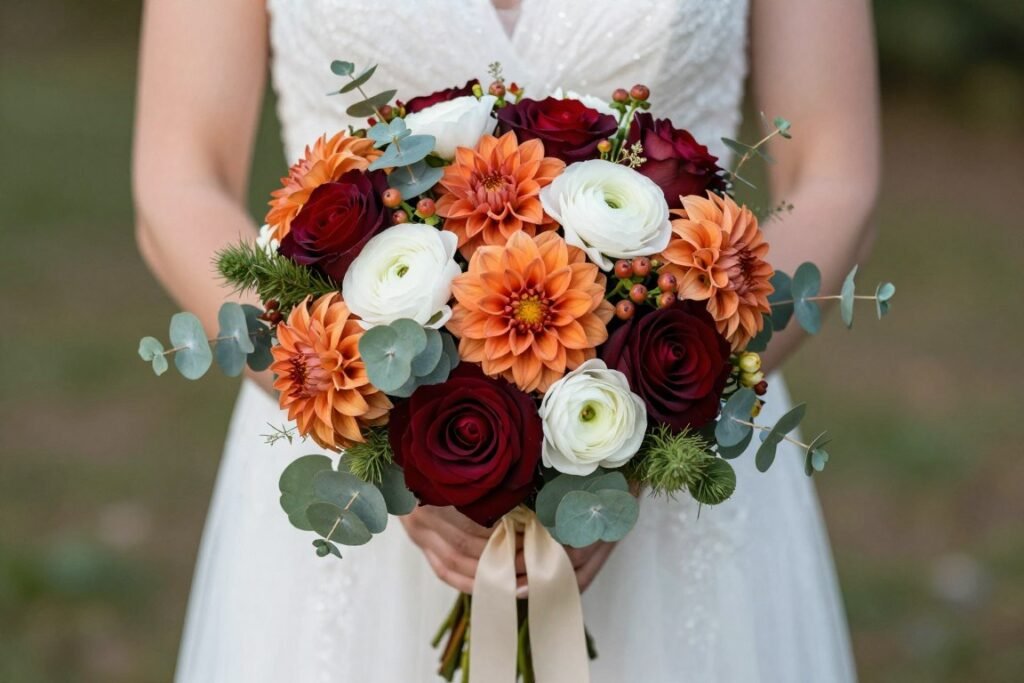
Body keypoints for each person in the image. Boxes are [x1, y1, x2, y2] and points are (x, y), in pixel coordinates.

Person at [133, 1, 879, 680]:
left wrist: (650, 433)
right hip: (348, 469)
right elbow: (179, 179)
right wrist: (382, 431)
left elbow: (834, 176)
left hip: (680, 460)